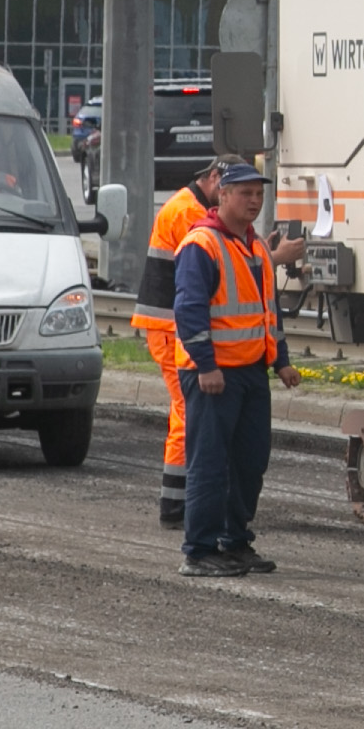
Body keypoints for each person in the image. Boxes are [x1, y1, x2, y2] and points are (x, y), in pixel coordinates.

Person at [171, 162, 298, 577]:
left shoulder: (256, 246)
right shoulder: (201, 244)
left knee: (248, 460)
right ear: (221, 194)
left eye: (258, 194)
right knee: (210, 462)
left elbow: (267, 312)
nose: (254, 201)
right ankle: (200, 550)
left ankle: (235, 540)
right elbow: (189, 311)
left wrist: (281, 361)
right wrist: (206, 366)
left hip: (248, 373)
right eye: (245, 193)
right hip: (213, 375)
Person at [129, 161, 221, 529]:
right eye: (232, 188)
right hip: (169, 327)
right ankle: (176, 506)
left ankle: (180, 501)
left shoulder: (188, 205)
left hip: (169, 325)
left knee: (184, 412)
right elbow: (209, 261)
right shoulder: (188, 212)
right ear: (212, 178)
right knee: (186, 413)